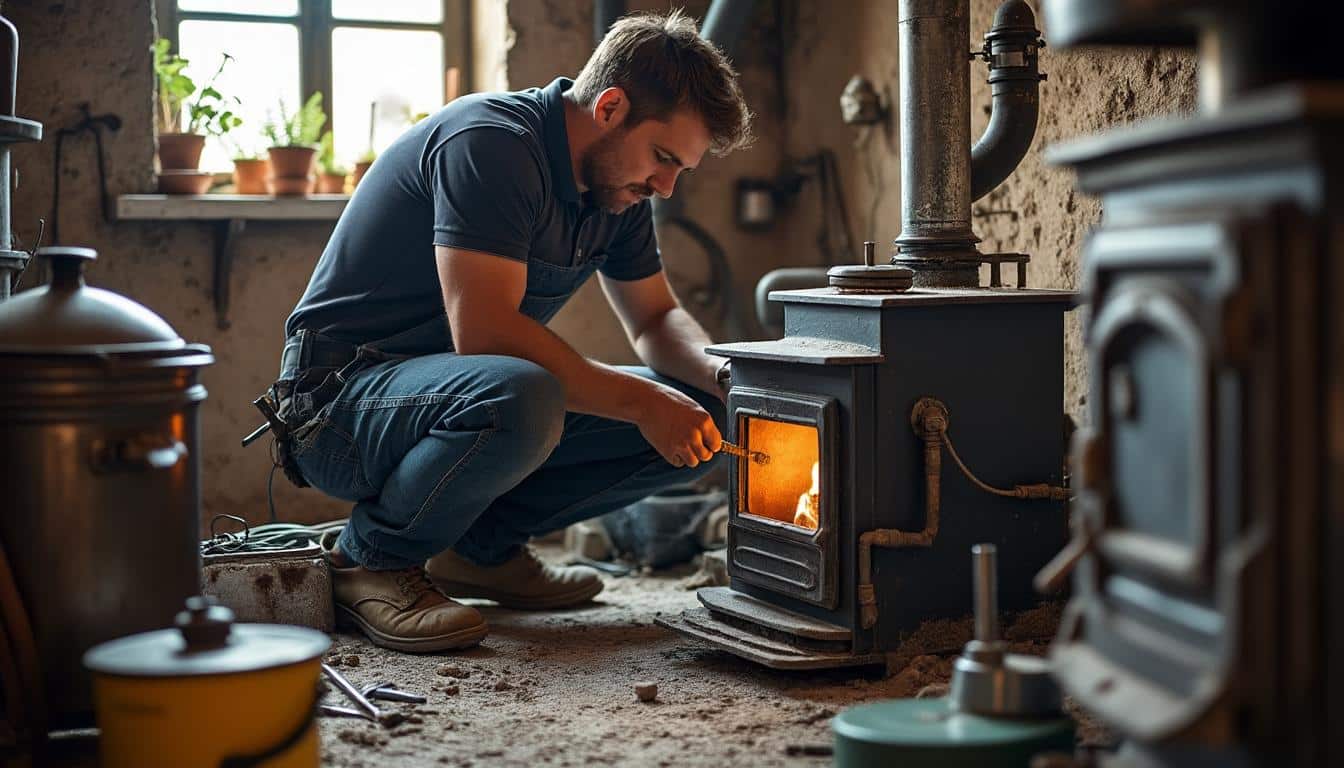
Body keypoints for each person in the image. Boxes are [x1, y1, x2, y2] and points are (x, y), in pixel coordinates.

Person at [269, 10, 754, 653]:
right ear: (609, 108)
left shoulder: (619, 192)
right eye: (663, 158)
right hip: (336, 409)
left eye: (679, 171)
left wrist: (731, 378)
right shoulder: (492, 142)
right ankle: (371, 560)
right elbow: (487, 331)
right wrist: (640, 400)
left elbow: (658, 319)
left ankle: (481, 550)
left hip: (453, 395)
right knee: (521, 393)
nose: (664, 186)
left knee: (699, 413)